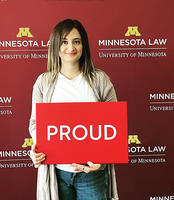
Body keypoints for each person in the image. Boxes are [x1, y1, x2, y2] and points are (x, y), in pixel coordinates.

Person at [29, 19, 118, 200]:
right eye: (64, 41)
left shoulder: (100, 80)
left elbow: (114, 125)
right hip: (57, 174)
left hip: (92, 174)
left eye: (76, 41)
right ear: (55, 45)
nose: (71, 47)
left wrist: (103, 161)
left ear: (83, 45)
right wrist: (38, 149)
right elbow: (35, 124)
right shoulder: (43, 82)